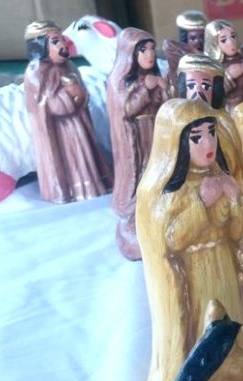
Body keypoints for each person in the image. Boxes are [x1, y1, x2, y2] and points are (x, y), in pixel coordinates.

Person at [135, 99, 243, 381]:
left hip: (223, 265)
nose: (209, 144)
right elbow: (170, 241)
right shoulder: (168, 192)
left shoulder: (220, 177)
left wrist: (235, 202)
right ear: (176, 143)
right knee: (203, 326)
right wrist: (200, 203)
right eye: (196, 137)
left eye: (211, 133)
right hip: (193, 275)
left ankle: (233, 370)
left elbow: (237, 234)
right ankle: (201, 380)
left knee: (230, 318)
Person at [176, 54, 243, 290]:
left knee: (239, 232)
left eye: (205, 86)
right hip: (200, 194)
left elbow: (236, 154)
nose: (198, 92)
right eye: (191, 85)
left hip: (233, 184)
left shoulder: (223, 120)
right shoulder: (177, 124)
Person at [23, 20, 111, 203]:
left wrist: (80, 94)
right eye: (55, 42)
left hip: (79, 121)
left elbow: (83, 94)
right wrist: (69, 95)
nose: (63, 45)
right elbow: (49, 104)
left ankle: (94, 183)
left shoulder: (69, 66)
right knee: (72, 157)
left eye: (62, 39)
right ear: (40, 46)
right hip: (61, 130)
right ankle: (73, 189)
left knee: (85, 152)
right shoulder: (36, 72)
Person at [107, 28, 167, 260]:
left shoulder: (155, 75)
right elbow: (126, 108)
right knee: (143, 172)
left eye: (152, 49)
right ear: (130, 54)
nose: (149, 55)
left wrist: (164, 89)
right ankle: (138, 213)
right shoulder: (118, 81)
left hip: (157, 132)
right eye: (143, 50)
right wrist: (145, 88)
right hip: (138, 137)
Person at [163, 10, 208, 95]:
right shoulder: (176, 59)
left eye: (202, 37)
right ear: (185, 39)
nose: (198, 42)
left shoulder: (210, 56)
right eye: (193, 38)